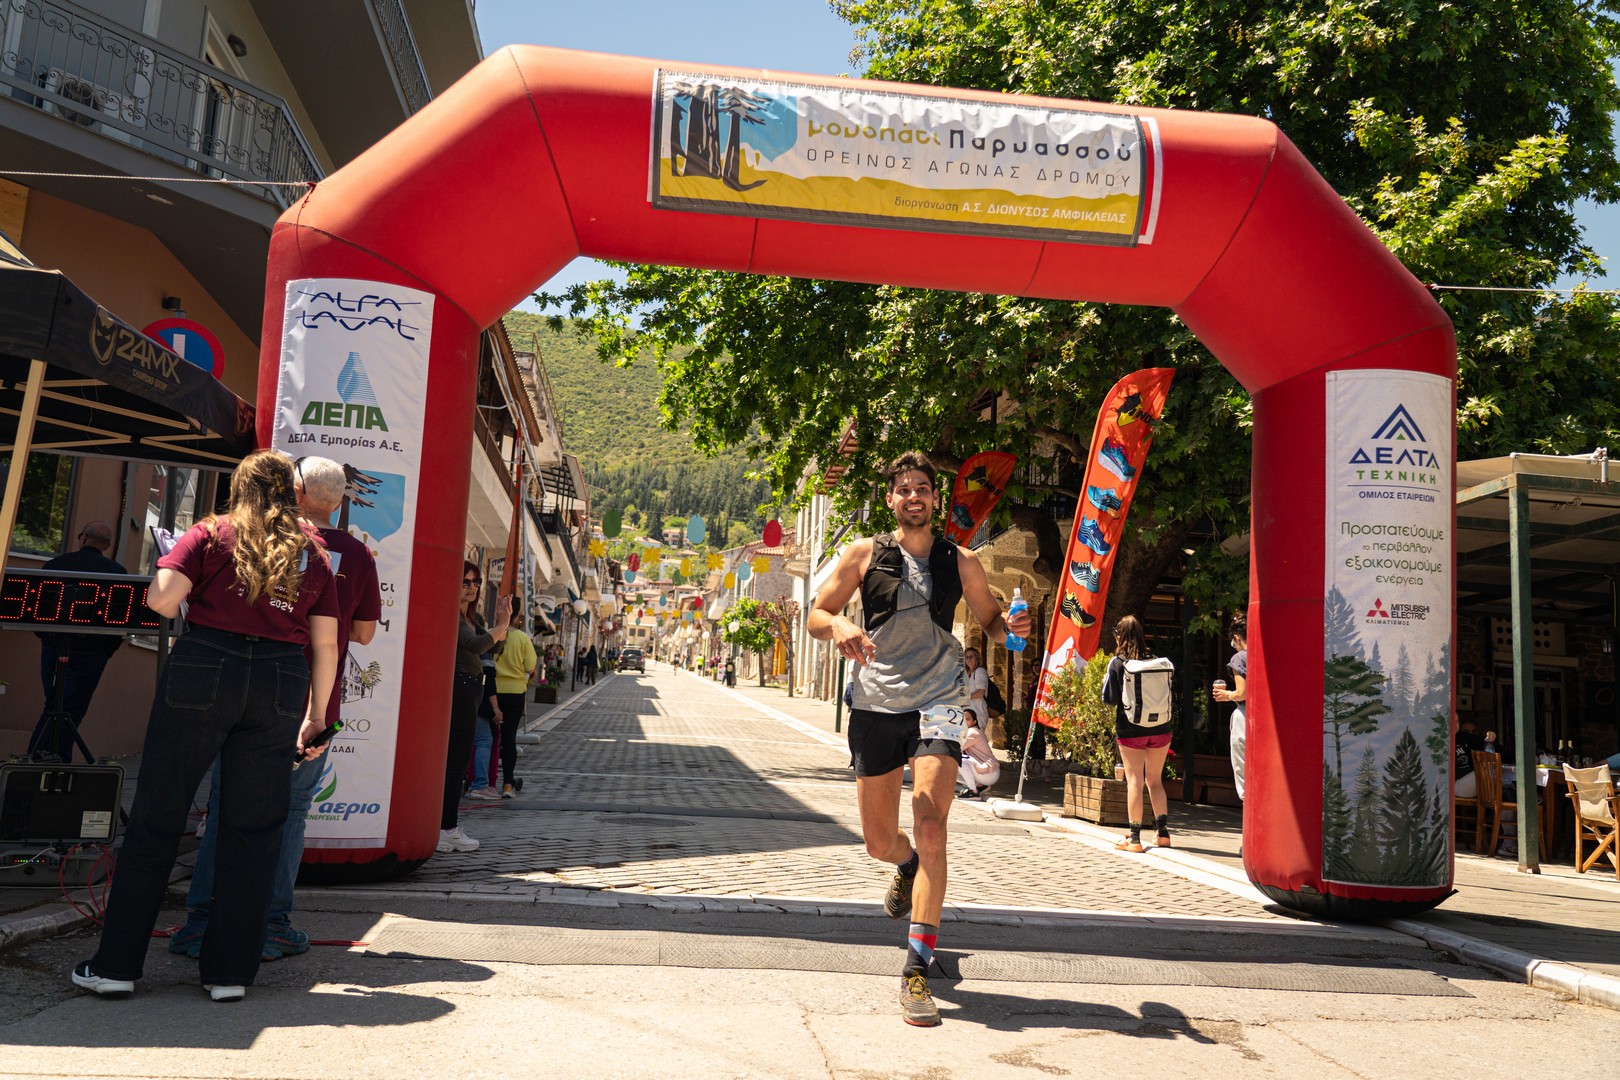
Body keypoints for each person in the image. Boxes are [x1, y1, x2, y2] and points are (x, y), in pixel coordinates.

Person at [71, 450, 339, 1003]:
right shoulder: (311, 550)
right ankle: (229, 974)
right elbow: (327, 642)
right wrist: (317, 715)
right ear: (290, 493)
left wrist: (176, 572)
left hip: (205, 663)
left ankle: (117, 966)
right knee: (254, 827)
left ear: (240, 487)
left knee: (159, 814)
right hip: (281, 678)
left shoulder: (211, 532)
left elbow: (163, 602)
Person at [807, 451, 1030, 1028]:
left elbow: (992, 622)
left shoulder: (963, 561)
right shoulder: (864, 554)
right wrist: (841, 623)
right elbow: (816, 614)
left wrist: (1012, 629)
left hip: (940, 700)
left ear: (936, 499)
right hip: (878, 703)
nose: (914, 496)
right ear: (891, 500)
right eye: (904, 489)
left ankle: (916, 969)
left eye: (923, 488)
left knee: (932, 823)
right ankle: (904, 866)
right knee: (879, 841)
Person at [170, 456, 381, 963]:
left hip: (250, 686)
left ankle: (202, 923)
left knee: (227, 805)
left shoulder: (262, 538)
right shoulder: (355, 554)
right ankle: (272, 924)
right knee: (291, 812)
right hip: (314, 701)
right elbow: (363, 634)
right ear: (340, 501)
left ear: (298, 490)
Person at [30, 520, 127, 762]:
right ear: (107, 546)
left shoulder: (54, 565)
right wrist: (106, 649)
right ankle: (56, 762)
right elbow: (120, 617)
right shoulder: (116, 572)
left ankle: (36, 762)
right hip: (91, 649)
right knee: (71, 709)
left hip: (53, 644)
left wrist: (47, 635)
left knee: (53, 706)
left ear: (83, 538)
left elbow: (37, 608)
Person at [441, 563, 510, 853]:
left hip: (470, 690)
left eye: (476, 582)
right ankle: (446, 828)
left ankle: (445, 827)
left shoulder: (471, 618)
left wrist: (501, 624)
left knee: (457, 761)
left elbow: (494, 647)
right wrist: (501, 626)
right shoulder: (452, 615)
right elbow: (476, 645)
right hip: (458, 688)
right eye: (465, 582)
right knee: (455, 762)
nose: (472, 587)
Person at [1104, 615, 1172, 853]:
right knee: (1155, 780)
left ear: (1119, 636)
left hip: (1131, 729)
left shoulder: (1118, 663)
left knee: (1135, 780)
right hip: (1161, 728)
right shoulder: (1156, 660)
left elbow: (1110, 698)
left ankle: (1134, 838)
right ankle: (1163, 834)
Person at [493, 607, 536, 797]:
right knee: (509, 738)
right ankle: (507, 784)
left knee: (489, 739)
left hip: (492, 692)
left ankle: (483, 782)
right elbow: (530, 666)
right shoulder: (523, 638)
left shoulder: (490, 634)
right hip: (515, 692)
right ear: (517, 616)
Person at [1210, 614, 1248, 801]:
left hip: (1245, 715)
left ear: (1237, 638)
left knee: (1242, 764)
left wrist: (1228, 695)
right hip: (1266, 716)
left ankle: (1246, 802)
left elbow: (1242, 693)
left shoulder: (1239, 658)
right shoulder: (1264, 654)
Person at [468, 651, 502, 799]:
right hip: (480, 704)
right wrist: (496, 708)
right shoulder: (485, 655)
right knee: (484, 741)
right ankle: (480, 785)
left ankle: (473, 783)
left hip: (467, 698)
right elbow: (488, 683)